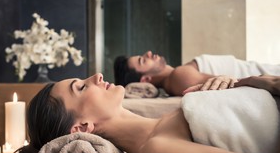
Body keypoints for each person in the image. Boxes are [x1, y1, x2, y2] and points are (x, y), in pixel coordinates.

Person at [9, 73, 280, 153]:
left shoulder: (172, 117)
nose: (96, 76)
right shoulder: (157, 150)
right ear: (81, 128)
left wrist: (254, 83)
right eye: (81, 87)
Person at [114, 51, 280, 96]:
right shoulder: (180, 77)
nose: (149, 53)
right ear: (146, 79)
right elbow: (229, 84)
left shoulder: (180, 73)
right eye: (143, 60)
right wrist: (269, 82)